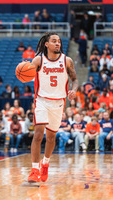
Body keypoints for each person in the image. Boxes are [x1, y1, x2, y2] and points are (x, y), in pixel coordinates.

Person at [27, 32, 78, 183]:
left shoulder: (67, 60)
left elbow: (74, 79)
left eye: (59, 41)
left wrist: (74, 89)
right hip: (42, 100)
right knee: (38, 134)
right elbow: (28, 74)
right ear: (46, 44)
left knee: (50, 138)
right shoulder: (38, 60)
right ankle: (34, 170)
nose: (57, 44)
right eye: (54, 41)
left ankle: (45, 164)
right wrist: (24, 72)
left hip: (59, 102)